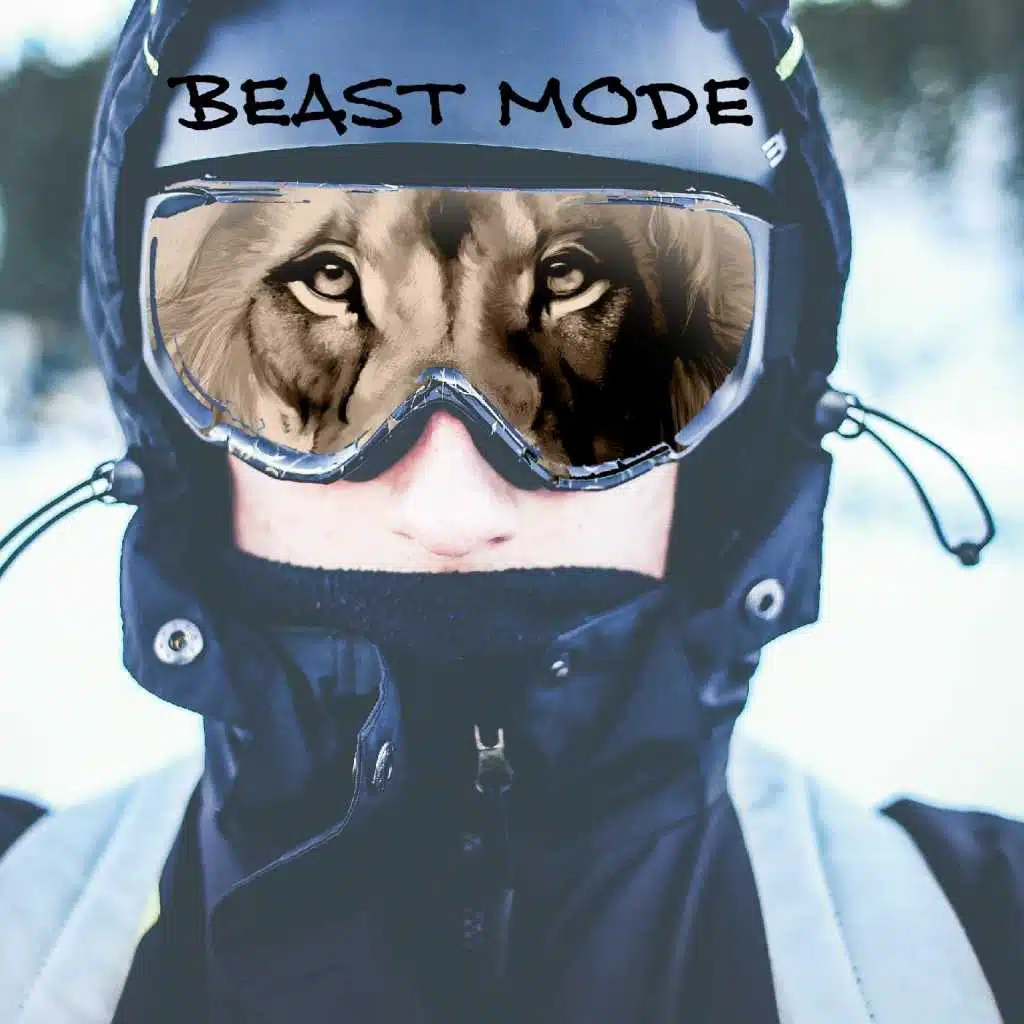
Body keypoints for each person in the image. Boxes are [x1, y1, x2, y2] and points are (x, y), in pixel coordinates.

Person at [0, 0, 1020, 1021]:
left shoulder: (981, 940)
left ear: (748, 411)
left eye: (577, 293)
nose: (449, 507)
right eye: (325, 287)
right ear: (171, 415)